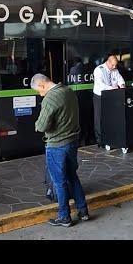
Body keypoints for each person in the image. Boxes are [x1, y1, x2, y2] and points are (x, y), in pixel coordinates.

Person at [31, 73, 89, 227]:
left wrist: (37, 124)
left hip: (57, 145)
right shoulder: (68, 90)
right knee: (72, 176)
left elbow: (41, 126)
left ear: (42, 85)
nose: (40, 94)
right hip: (72, 142)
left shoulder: (50, 98)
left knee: (59, 182)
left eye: (39, 91)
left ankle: (64, 216)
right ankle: (83, 210)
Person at [92, 55, 125, 147]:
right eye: (113, 65)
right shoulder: (99, 70)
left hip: (111, 97)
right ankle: (100, 140)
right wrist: (112, 88)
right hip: (100, 96)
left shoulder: (115, 70)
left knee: (110, 117)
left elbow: (120, 79)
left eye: (115, 65)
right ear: (108, 62)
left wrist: (122, 85)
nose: (114, 67)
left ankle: (110, 138)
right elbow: (100, 84)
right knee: (99, 118)